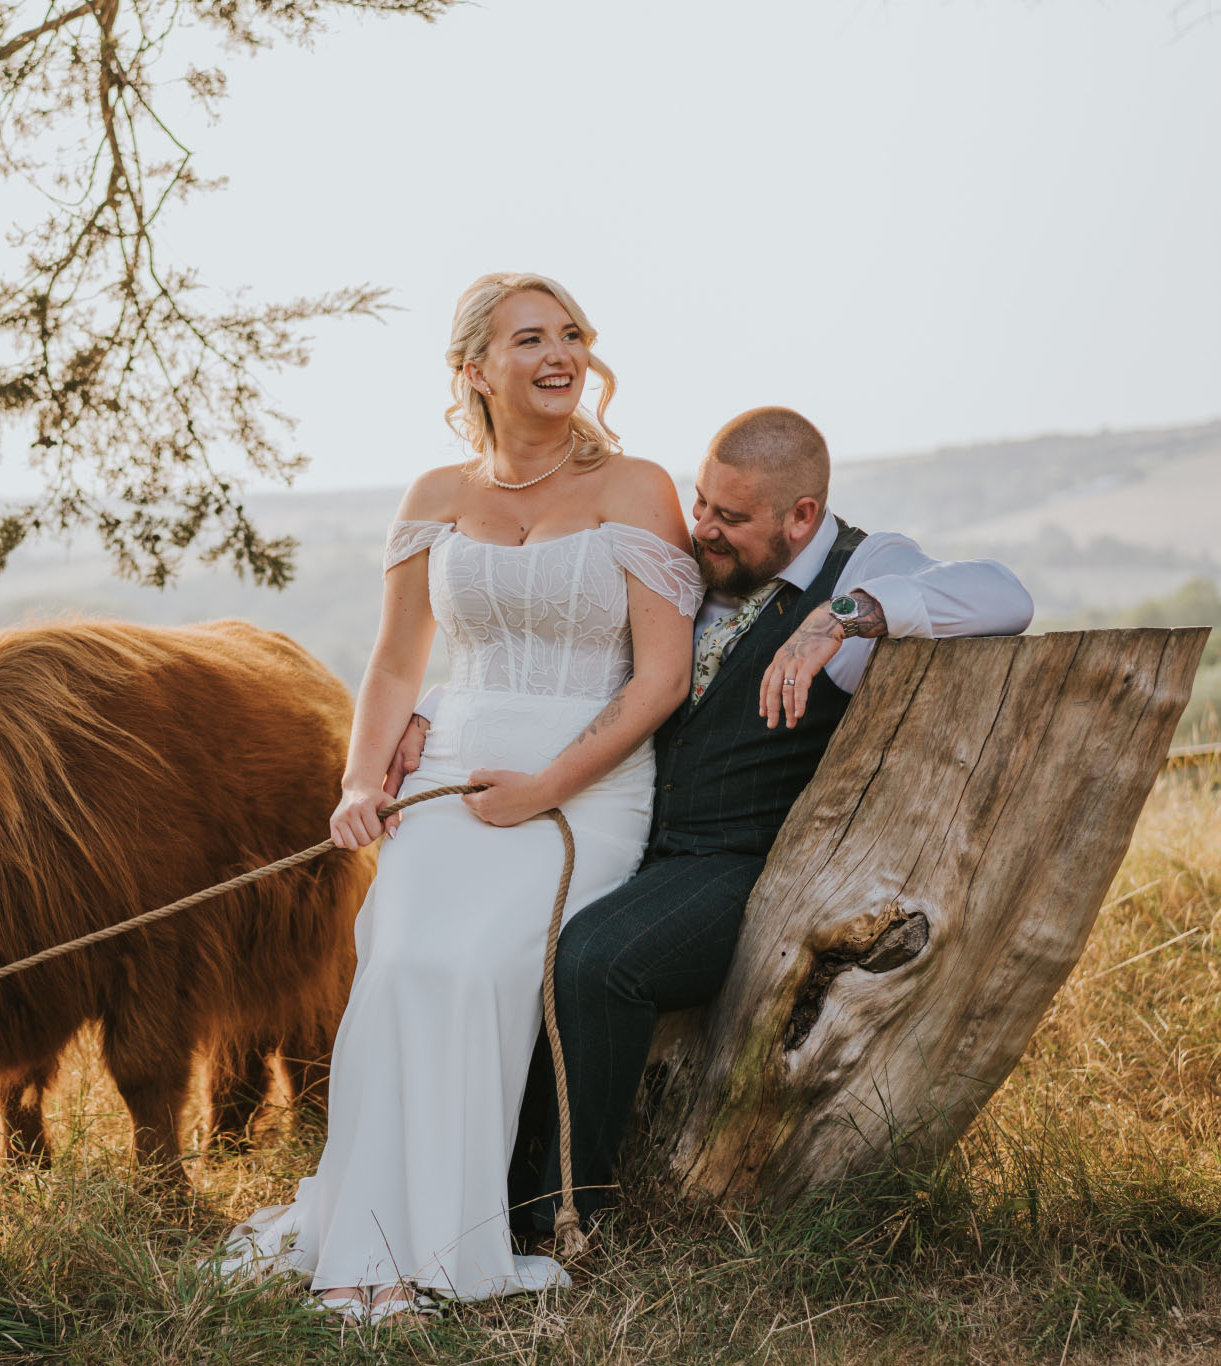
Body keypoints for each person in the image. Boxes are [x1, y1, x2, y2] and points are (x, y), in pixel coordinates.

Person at [396, 405, 1036, 1240]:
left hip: (743, 863)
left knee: (595, 961)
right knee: (497, 936)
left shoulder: (863, 565)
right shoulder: (703, 569)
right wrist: (430, 713)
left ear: (801, 516)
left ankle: (564, 1217)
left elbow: (1006, 595)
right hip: (625, 832)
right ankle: (457, 1192)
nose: (702, 529)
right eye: (701, 504)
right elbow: (590, 672)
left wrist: (841, 617)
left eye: (728, 517)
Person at [211, 272, 703, 1320]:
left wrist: (547, 786)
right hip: (448, 777)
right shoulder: (434, 495)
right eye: (529, 338)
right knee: (395, 962)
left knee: (476, 966)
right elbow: (394, 666)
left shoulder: (636, 487)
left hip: (585, 782)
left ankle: (446, 1244)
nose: (558, 353)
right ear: (472, 368)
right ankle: (360, 1243)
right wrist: (359, 780)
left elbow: (661, 677)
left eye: (570, 334)